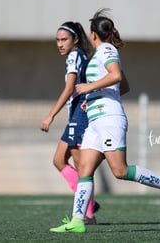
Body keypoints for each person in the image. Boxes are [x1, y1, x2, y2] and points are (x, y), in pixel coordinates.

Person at [49, 9, 160, 233]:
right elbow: (123, 86)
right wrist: (93, 98)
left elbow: (115, 76)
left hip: (109, 119)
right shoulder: (99, 54)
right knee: (84, 169)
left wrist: (89, 88)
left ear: (94, 34)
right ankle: (77, 221)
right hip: (96, 118)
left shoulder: (106, 49)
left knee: (120, 171)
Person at [40, 21, 99, 224]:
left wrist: (50, 115)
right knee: (58, 160)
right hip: (76, 113)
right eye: (57, 40)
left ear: (75, 40)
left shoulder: (74, 56)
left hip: (79, 114)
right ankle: (89, 202)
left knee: (82, 165)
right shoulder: (78, 55)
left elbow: (69, 88)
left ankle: (87, 213)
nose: (60, 44)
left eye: (64, 39)